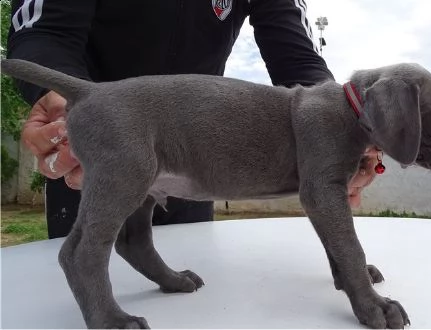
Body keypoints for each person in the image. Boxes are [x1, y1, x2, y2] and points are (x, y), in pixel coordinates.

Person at [7, 0, 379, 239]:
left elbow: (297, 56)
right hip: (96, 152)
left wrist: (342, 131)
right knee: (90, 281)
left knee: (191, 300)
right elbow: (44, 31)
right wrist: (59, 102)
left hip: (198, 163)